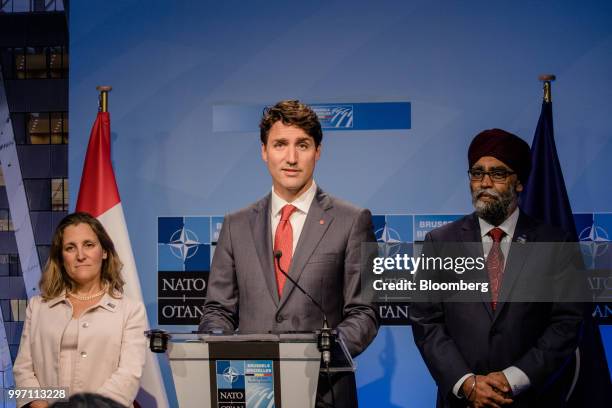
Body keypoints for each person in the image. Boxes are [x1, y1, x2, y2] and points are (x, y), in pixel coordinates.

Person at [200, 99, 379, 407]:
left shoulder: (352, 220)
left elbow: (364, 313)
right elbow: (218, 309)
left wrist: (322, 353)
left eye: (303, 145)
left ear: (318, 152)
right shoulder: (235, 225)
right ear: (264, 152)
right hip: (252, 392)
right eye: (280, 144)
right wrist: (220, 345)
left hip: (325, 392)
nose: (291, 158)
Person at [410, 129, 585, 407]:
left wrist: (512, 379)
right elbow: (427, 322)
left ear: (519, 183)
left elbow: (567, 323)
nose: (485, 182)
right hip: (462, 401)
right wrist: (466, 382)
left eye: (498, 174)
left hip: (531, 399)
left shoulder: (554, 242)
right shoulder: (440, 242)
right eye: (477, 173)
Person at [13, 212, 146, 408]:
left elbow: (128, 374)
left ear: (104, 252)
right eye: (70, 248)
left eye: (89, 245)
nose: (81, 255)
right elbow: (23, 369)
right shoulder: (38, 306)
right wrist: (41, 404)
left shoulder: (130, 310)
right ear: (61, 257)